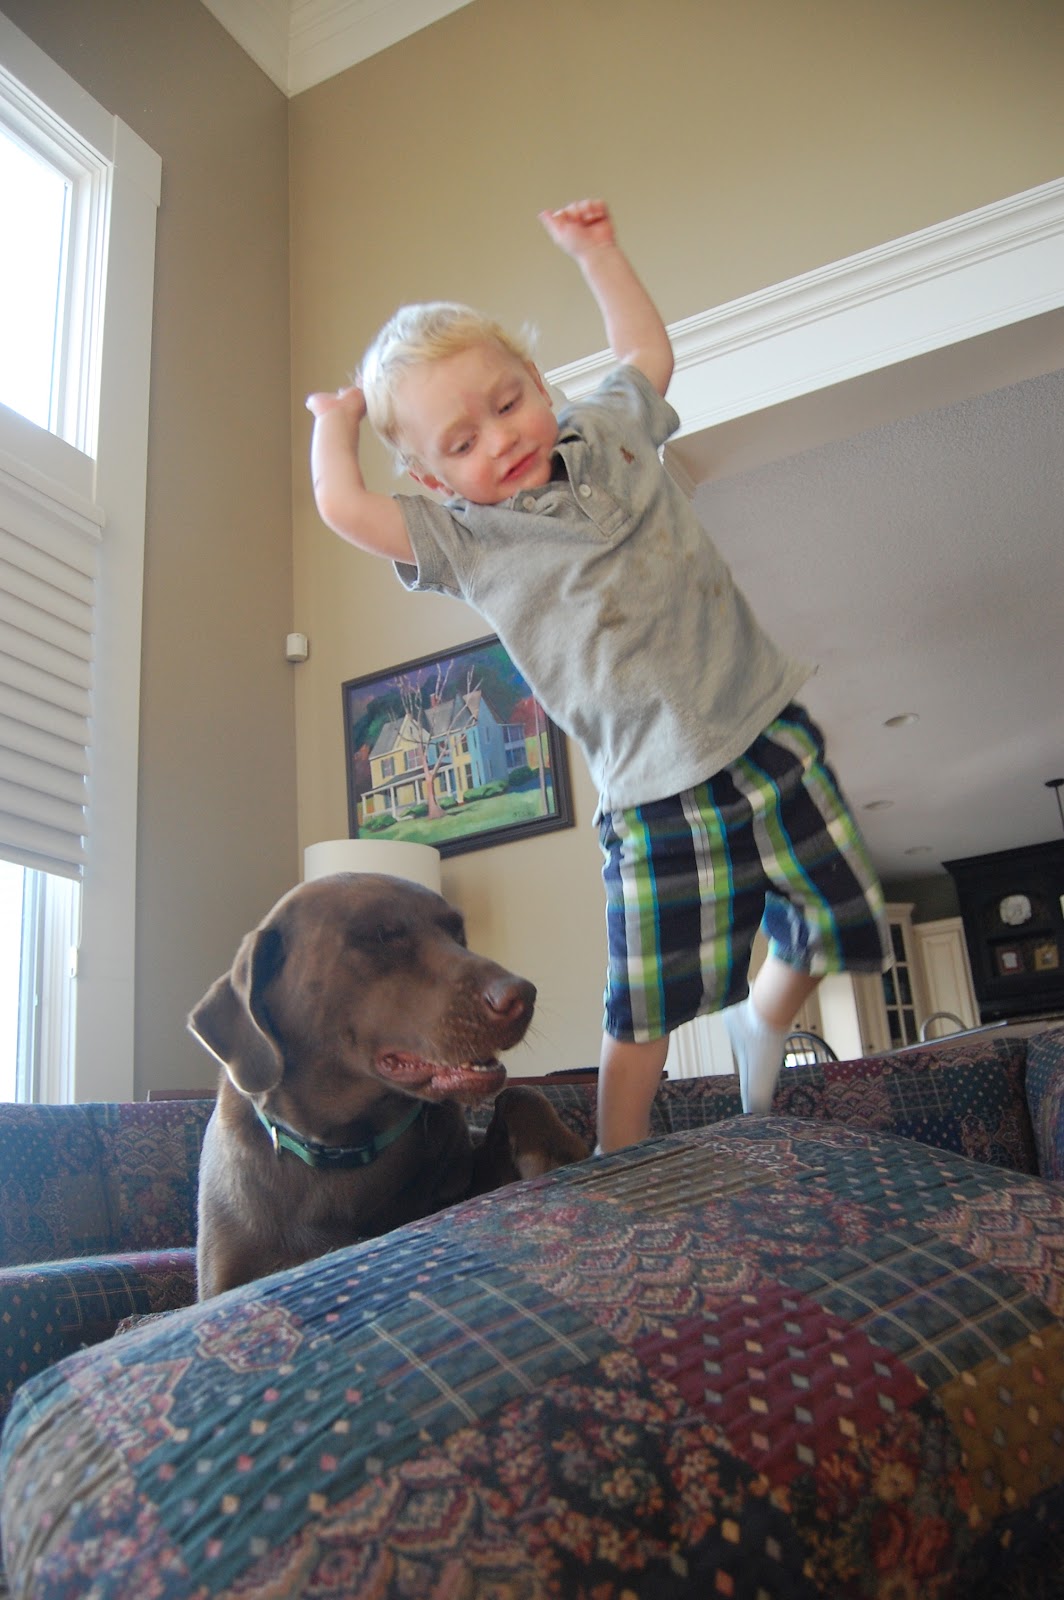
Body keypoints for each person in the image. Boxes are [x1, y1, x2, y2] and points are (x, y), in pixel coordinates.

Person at [307, 198, 891, 1154]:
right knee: (644, 1011)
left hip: (766, 725)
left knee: (839, 921)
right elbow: (342, 506)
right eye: (462, 443)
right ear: (438, 482)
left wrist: (598, 252)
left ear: (538, 382)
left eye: (507, 402)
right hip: (652, 792)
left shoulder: (612, 428)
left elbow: (646, 348)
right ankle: (620, 1170)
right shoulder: (470, 539)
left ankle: (764, 1019)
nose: (499, 436)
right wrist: (336, 424)